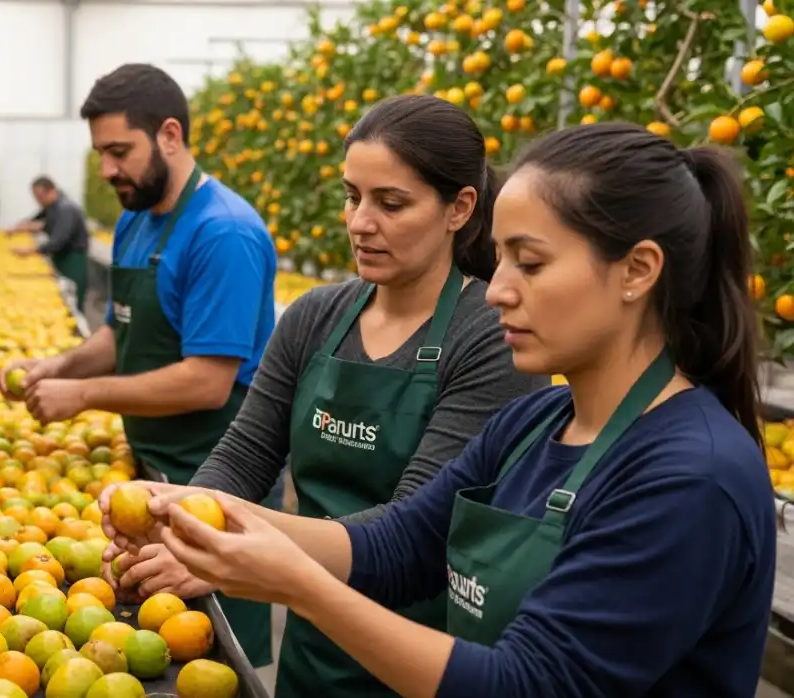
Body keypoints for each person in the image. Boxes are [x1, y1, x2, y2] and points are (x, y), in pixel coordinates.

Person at [110, 122, 776, 698]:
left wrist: (298, 585)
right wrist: (206, 518)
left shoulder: (688, 480)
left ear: (638, 271)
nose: (497, 292)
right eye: (503, 258)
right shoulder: (534, 426)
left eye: (531, 264)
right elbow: (398, 545)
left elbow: (530, 684)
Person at [101, 94, 548, 698]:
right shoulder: (317, 316)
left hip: (422, 652)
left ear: (459, 208)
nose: (361, 222)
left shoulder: (490, 338)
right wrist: (181, 523)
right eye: (352, 196)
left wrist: (224, 544)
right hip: (311, 650)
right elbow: (246, 453)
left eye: (391, 203)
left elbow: (412, 528)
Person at [0, 63, 279, 666]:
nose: (106, 171)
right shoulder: (134, 220)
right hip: (151, 477)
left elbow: (206, 381)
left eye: (120, 151)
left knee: (209, 658)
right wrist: (59, 366)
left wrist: (84, 396)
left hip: (217, 483)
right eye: (100, 153)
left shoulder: (222, 233)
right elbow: (117, 331)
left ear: (170, 135)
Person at [9, 176, 92, 311]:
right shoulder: (51, 206)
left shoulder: (66, 209)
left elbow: (58, 241)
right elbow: (36, 219)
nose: (38, 201)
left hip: (73, 259)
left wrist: (29, 251)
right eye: (36, 197)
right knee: (63, 296)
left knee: (72, 300)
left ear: (52, 191)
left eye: (40, 196)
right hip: (62, 257)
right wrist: (19, 227)